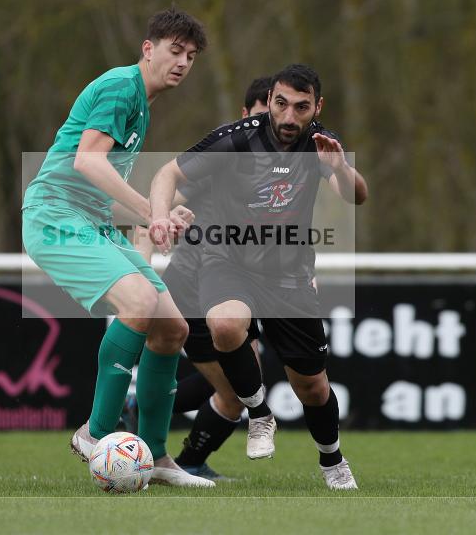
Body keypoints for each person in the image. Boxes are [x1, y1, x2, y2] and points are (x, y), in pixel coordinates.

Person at [148, 64, 368, 490]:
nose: (289, 117)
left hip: (289, 277)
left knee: (313, 387)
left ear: (316, 107)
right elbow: (168, 174)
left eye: (301, 107)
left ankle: (332, 459)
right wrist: (157, 216)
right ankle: (260, 414)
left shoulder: (320, 143)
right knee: (226, 326)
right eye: (281, 104)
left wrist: (340, 168)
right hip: (227, 263)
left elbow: (356, 195)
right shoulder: (238, 138)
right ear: (269, 101)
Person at [21, 6, 214, 487]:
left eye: (191, 56)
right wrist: (152, 211)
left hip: (90, 220)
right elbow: (88, 161)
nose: (183, 63)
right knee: (140, 302)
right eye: (175, 51)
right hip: (55, 218)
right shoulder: (120, 86)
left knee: (171, 329)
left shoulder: (140, 103)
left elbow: (103, 185)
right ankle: (96, 433)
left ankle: (159, 458)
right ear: (147, 49)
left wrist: (162, 217)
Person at [125, 76, 272, 480]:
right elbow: (150, 211)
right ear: (245, 117)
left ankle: (144, 410)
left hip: (239, 289)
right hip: (196, 291)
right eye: (260, 118)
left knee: (241, 383)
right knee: (237, 390)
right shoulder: (220, 164)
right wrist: (145, 258)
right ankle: (184, 457)